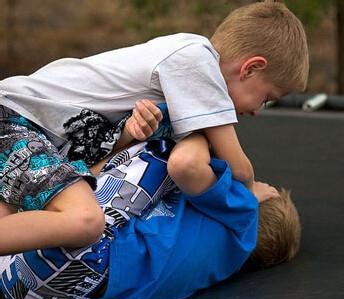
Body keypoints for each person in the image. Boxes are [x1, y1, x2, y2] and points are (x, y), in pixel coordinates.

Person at [0, 1, 309, 255]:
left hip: (35, 135)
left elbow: (95, 159)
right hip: (15, 117)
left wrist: (129, 135)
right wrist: (249, 193)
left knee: (15, 227)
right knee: (84, 220)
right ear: (252, 68)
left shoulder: (177, 101)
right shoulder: (195, 58)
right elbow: (237, 166)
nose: (257, 111)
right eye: (266, 98)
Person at [0, 135, 301, 299]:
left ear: (265, 199)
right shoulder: (224, 259)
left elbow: (185, 164)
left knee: (163, 149)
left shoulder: (244, 216)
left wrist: (197, 125)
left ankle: (53, 185)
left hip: (90, 258)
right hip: (35, 296)